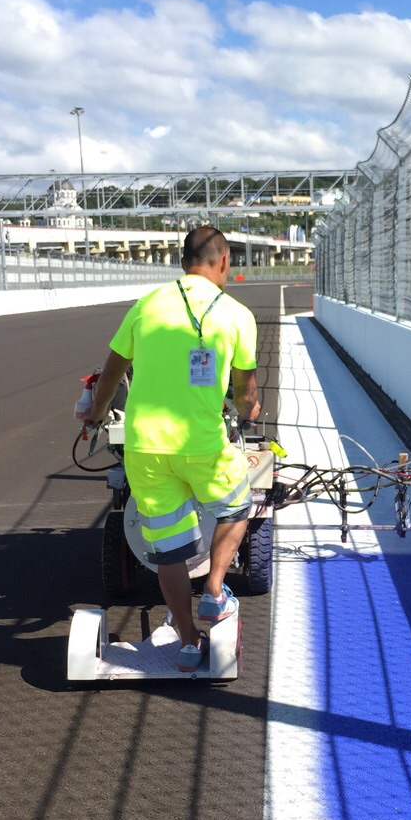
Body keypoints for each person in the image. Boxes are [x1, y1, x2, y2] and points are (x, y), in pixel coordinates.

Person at [84, 226, 260, 671]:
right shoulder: (237, 314)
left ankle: (187, 645)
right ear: (223, 263)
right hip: (201, 444)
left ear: (183, 263)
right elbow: (245, 396)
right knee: (238, 506)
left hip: (145, 448)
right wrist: (249, 407)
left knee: (169, 552)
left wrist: (96, 411)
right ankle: (216, 592)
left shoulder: (146, 307)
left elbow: (110, 373)